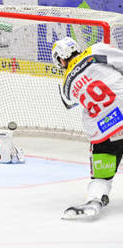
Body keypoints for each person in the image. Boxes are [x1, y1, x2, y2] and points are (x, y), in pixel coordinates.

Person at [52, 37, 123, 219]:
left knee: (101, 177)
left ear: (61, 59)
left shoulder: (66, 86)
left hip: (105, 131)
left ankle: (95, 200)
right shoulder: (96, 51)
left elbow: (69, 103)